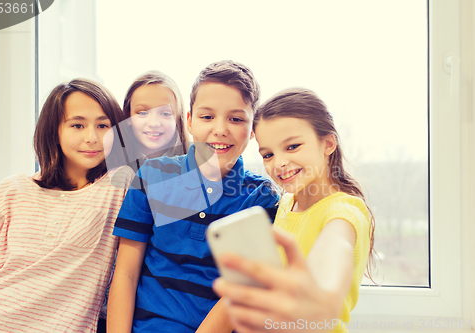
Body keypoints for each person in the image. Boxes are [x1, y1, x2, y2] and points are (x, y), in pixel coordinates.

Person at [106, 60, 279, 333]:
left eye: (236, 118)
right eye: (207, 117)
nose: (220, 129)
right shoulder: (152, 176)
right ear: (189, 120)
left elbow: (238, 293)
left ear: (253, 127)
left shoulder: (261, 199)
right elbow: (125, 273)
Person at [0, 79, 134, 333]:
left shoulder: (121, 183)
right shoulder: (12, 189)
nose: (92, 137)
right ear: (54, 130)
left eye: (103, 125)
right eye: (77, 125)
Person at [213, 87, 376, 333]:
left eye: (292, 147)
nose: (278, 163)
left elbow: (335, 251)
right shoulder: (287, 204)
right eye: (268, 154)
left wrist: (322, 297)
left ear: (328, 143)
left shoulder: (344, 211)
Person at [98, 70, 188, 332]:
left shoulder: (191, 179)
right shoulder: (114, 176)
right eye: (142, 112)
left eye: (165, 113)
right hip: (110, 310)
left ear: (180, 119)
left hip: (162, 310)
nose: (154, 122)